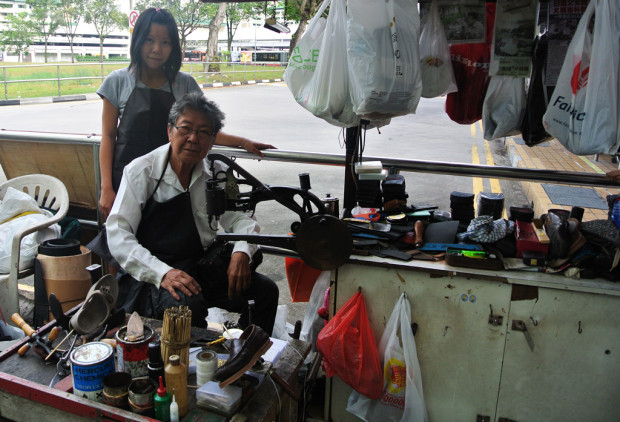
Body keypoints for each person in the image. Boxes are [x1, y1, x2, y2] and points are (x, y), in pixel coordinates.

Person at [106, 92, 279, 333]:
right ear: (170, 131)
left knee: (265, 292)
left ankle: (247, 358)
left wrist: (241, 251)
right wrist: (163, 273)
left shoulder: (217, 171)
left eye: (204, 132)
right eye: (185, 128)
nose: (193, 139)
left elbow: (241, 219)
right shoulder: (141, 171)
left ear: (212, 139)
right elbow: (118, 235)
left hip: (201, 269)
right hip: (153, 274)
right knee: (186, 309)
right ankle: (194, 366)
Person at [97, 7, 274, 218]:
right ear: (137, 41)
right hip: (126, 180)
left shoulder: (185, 84)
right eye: (149, 40)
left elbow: (203, 132)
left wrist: (243, 143)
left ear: (174, 46)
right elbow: (108, 137)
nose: (156, 49)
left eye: (165, 42)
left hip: (175, 182)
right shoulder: (117, 81)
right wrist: (106, 188)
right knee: (126, 239)